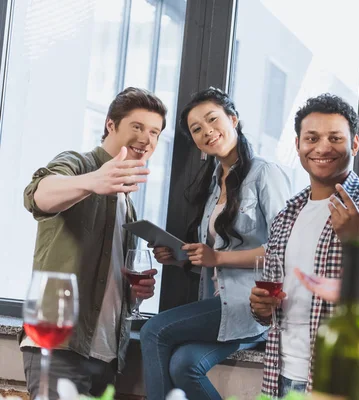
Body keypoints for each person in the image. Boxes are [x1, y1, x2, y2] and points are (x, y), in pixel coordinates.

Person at [140, 87, 291, 400]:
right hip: (220, 305)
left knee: (153, 331)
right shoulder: (211, 183)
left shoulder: (266, 174)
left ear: (233, 119)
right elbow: (211, 262)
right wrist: (180, 258)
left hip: (250, 306)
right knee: (184, 365)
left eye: (212, 120)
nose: (206, 131)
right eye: (197, 129)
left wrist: (218, 258)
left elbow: (284, 251)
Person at [20, 87, 167, 399]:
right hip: (59, 346)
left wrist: (133, 292)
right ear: (110, 125)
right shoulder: (79, 164)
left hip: (107, 357)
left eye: (154, 132)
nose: (146, 139)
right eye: (137, 127)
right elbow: (38, 195)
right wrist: (92, 181)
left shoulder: (127, 203)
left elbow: (106, 278)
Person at [249, 94, 359, 398]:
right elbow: (277, 297)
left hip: (336, 380)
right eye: (312, 138)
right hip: (279, 372)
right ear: (298, 145)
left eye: (335, 138)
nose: (322, 147)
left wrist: (356, 243)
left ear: (354, 144)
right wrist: (261, 308)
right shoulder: (286, 214)